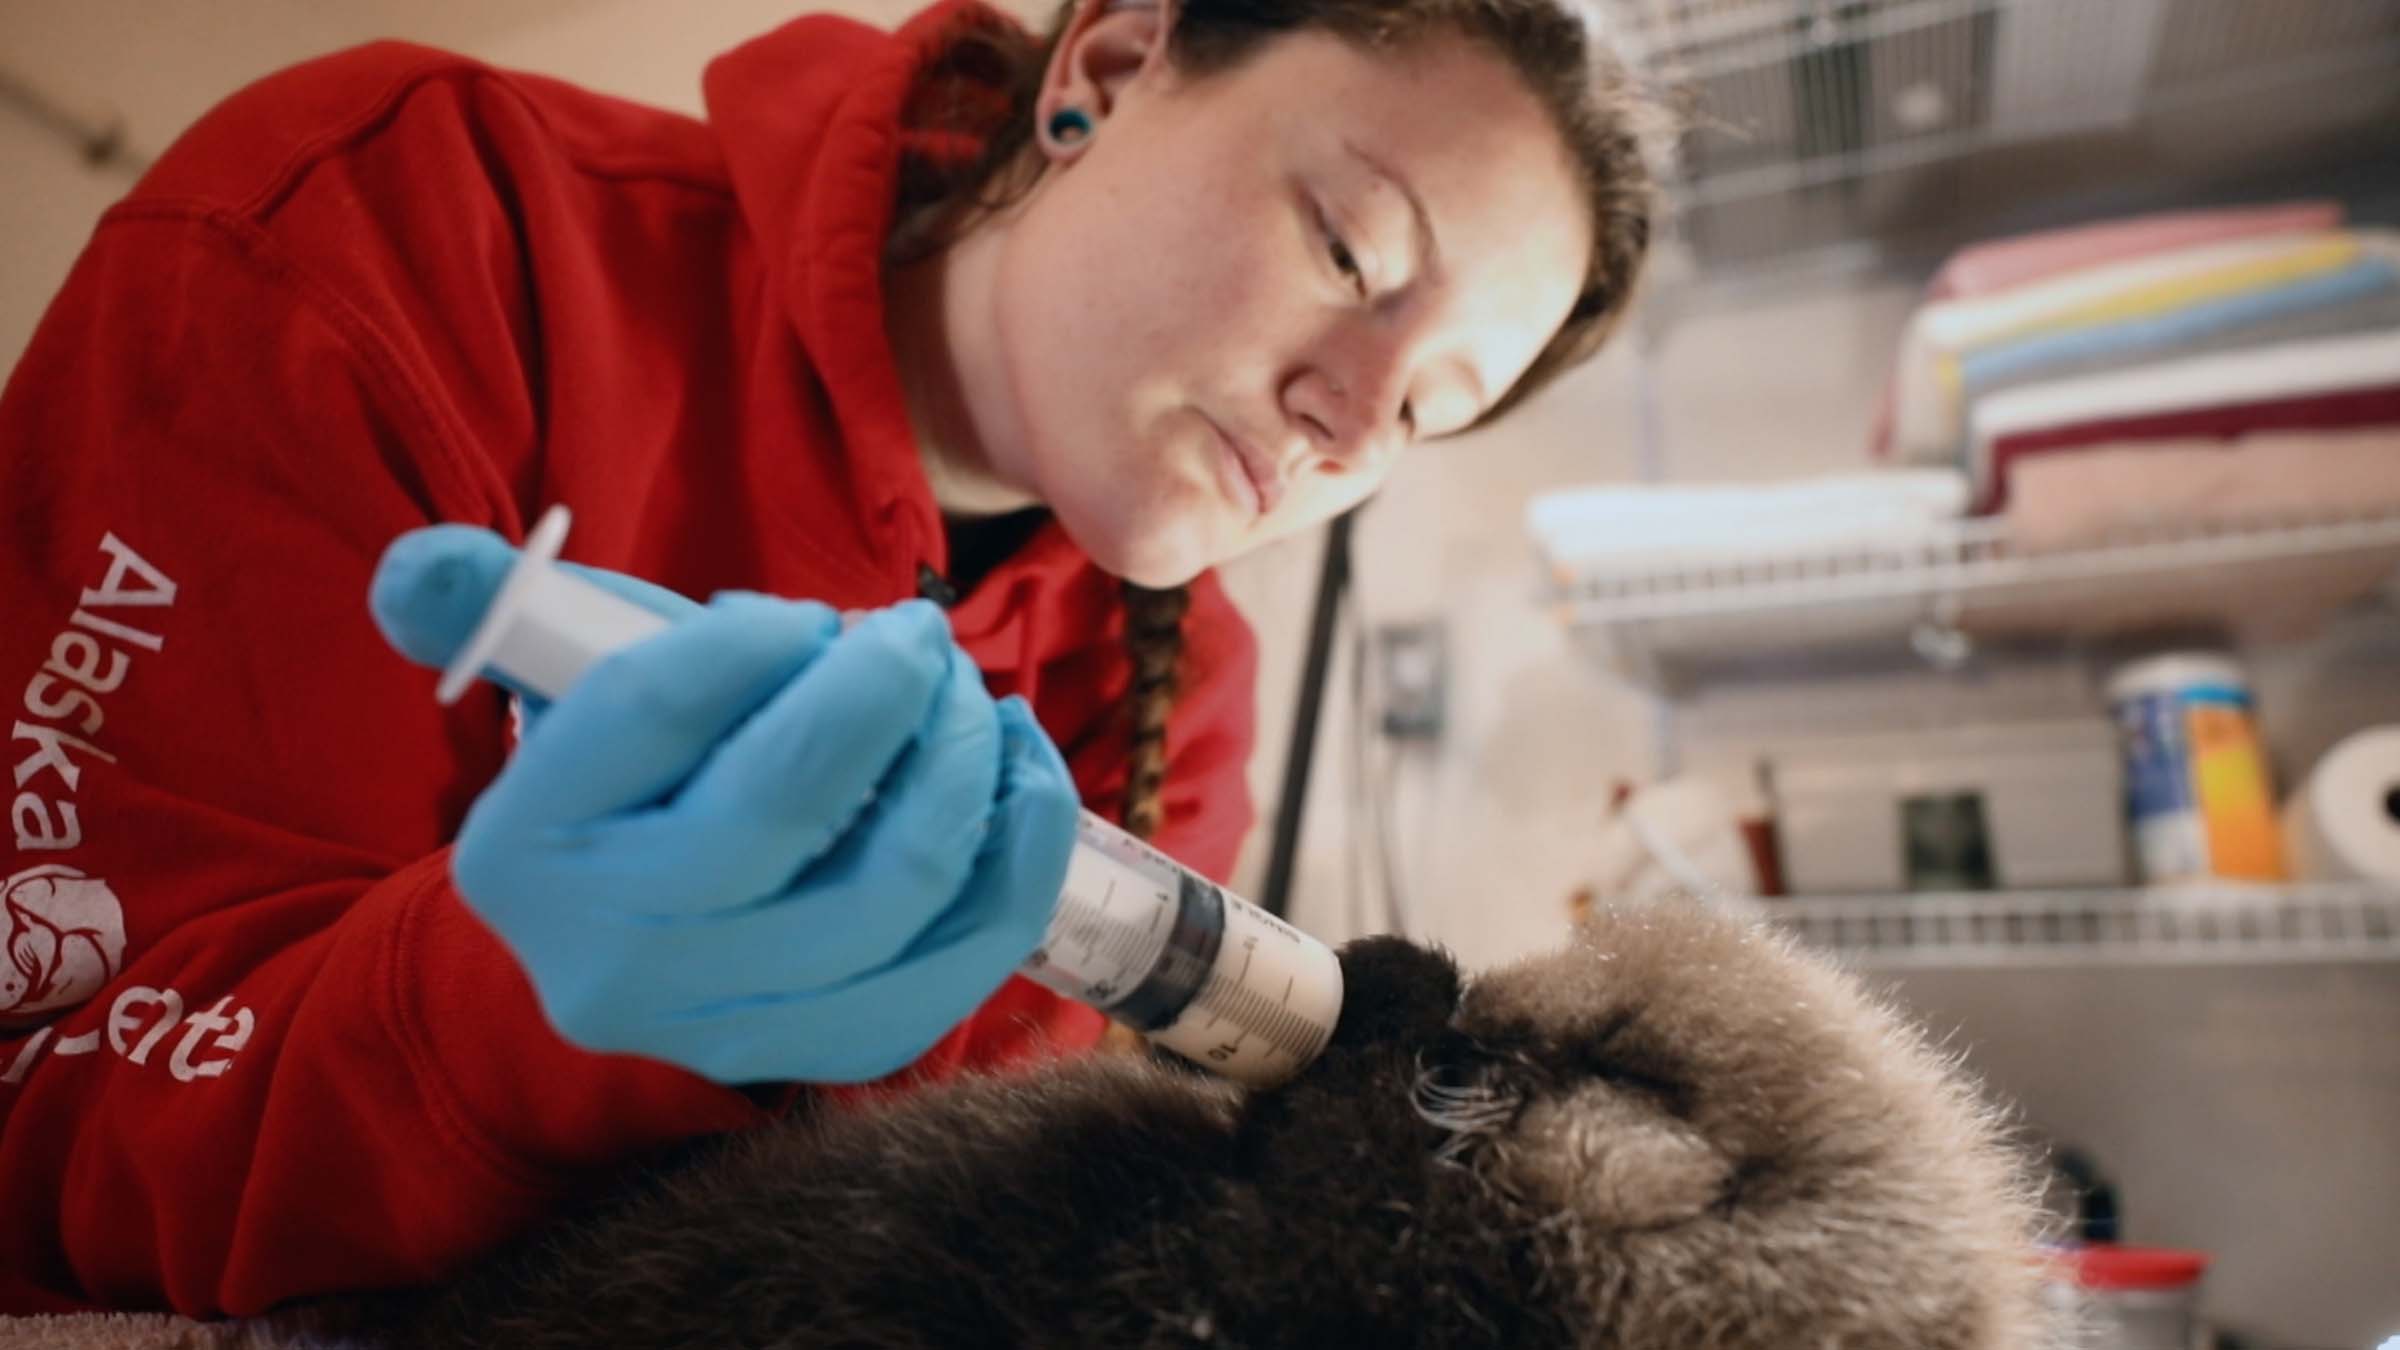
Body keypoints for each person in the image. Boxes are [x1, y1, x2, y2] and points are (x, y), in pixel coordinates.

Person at [0, 0, 1650, 1318]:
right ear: (1111, 61)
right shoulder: (410, 220)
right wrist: (499, 1012)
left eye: (1429, 408)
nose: (1348, 421)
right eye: (1351, 253)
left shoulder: (1179, 699)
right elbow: (51, 1115)